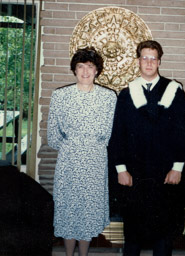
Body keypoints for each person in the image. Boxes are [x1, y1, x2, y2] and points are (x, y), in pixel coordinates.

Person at [108, 40, 185, 256]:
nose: (149, 62)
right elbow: (118, 133)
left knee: (164, 234)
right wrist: (121, 169)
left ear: (159, 61)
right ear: (138, 61)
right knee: (133, 234)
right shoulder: (126, 94)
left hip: (166, 172)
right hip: (134, 173)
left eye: (153, 58)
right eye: (144, 57)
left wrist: (178, 167)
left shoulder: (174, 91)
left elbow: (184, 131)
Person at [47, 47, 117, 256]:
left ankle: (84, 254)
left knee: (87, 210)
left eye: (90, 66)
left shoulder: (109, 97)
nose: (85, 71)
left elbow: (109, 133)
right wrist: (73, 147)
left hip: (95, 160)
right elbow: (53, 135)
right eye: (80, 66)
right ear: (74, 70)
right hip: (69, 160)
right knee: (68, 209)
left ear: (97, 70)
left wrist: (90, 147)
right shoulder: (60, 96)